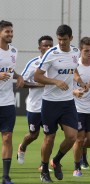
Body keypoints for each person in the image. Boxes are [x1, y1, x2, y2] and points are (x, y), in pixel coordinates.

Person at [34, 24, 85, 182]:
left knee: (72, 136)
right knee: (49, 138)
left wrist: (80, 81)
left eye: (64, 39)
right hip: (50, 103)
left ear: (71, 38)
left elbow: (73, 69)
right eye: (59, 39)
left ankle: (55, 161)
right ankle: (44, 170)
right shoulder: (51, 53)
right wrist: (55, 81)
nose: (61, 42)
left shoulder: (76, 52)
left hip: (68, 102)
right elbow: (37, 76)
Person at [17, 35, 53, 167]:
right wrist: (39, 85)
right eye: (45, 45)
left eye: (50, 45)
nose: (48, 48)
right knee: (33, 135)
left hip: (51, 106)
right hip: (35, 106)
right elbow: (21, 82)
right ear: (40, 48)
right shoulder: (33, 63)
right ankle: (22, 146)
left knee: (49, 136)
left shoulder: (55, 63)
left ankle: (43, 164)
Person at [72, 37, 90, 177]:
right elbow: (64, 85)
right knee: (79, 138)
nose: (89, 53)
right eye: (86, 50)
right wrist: (74, 92)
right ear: (80, 50)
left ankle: (81, 150)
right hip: (76, 108)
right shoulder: (74, 65)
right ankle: (77, 167)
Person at [0, 20, 24, 184]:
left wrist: (19, 76)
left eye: (11, 31)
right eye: (7, 31)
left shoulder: (14, 51)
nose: (10, 34)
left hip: (7, 102)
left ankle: (6, 177)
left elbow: (9, 70)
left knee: (7, 137)